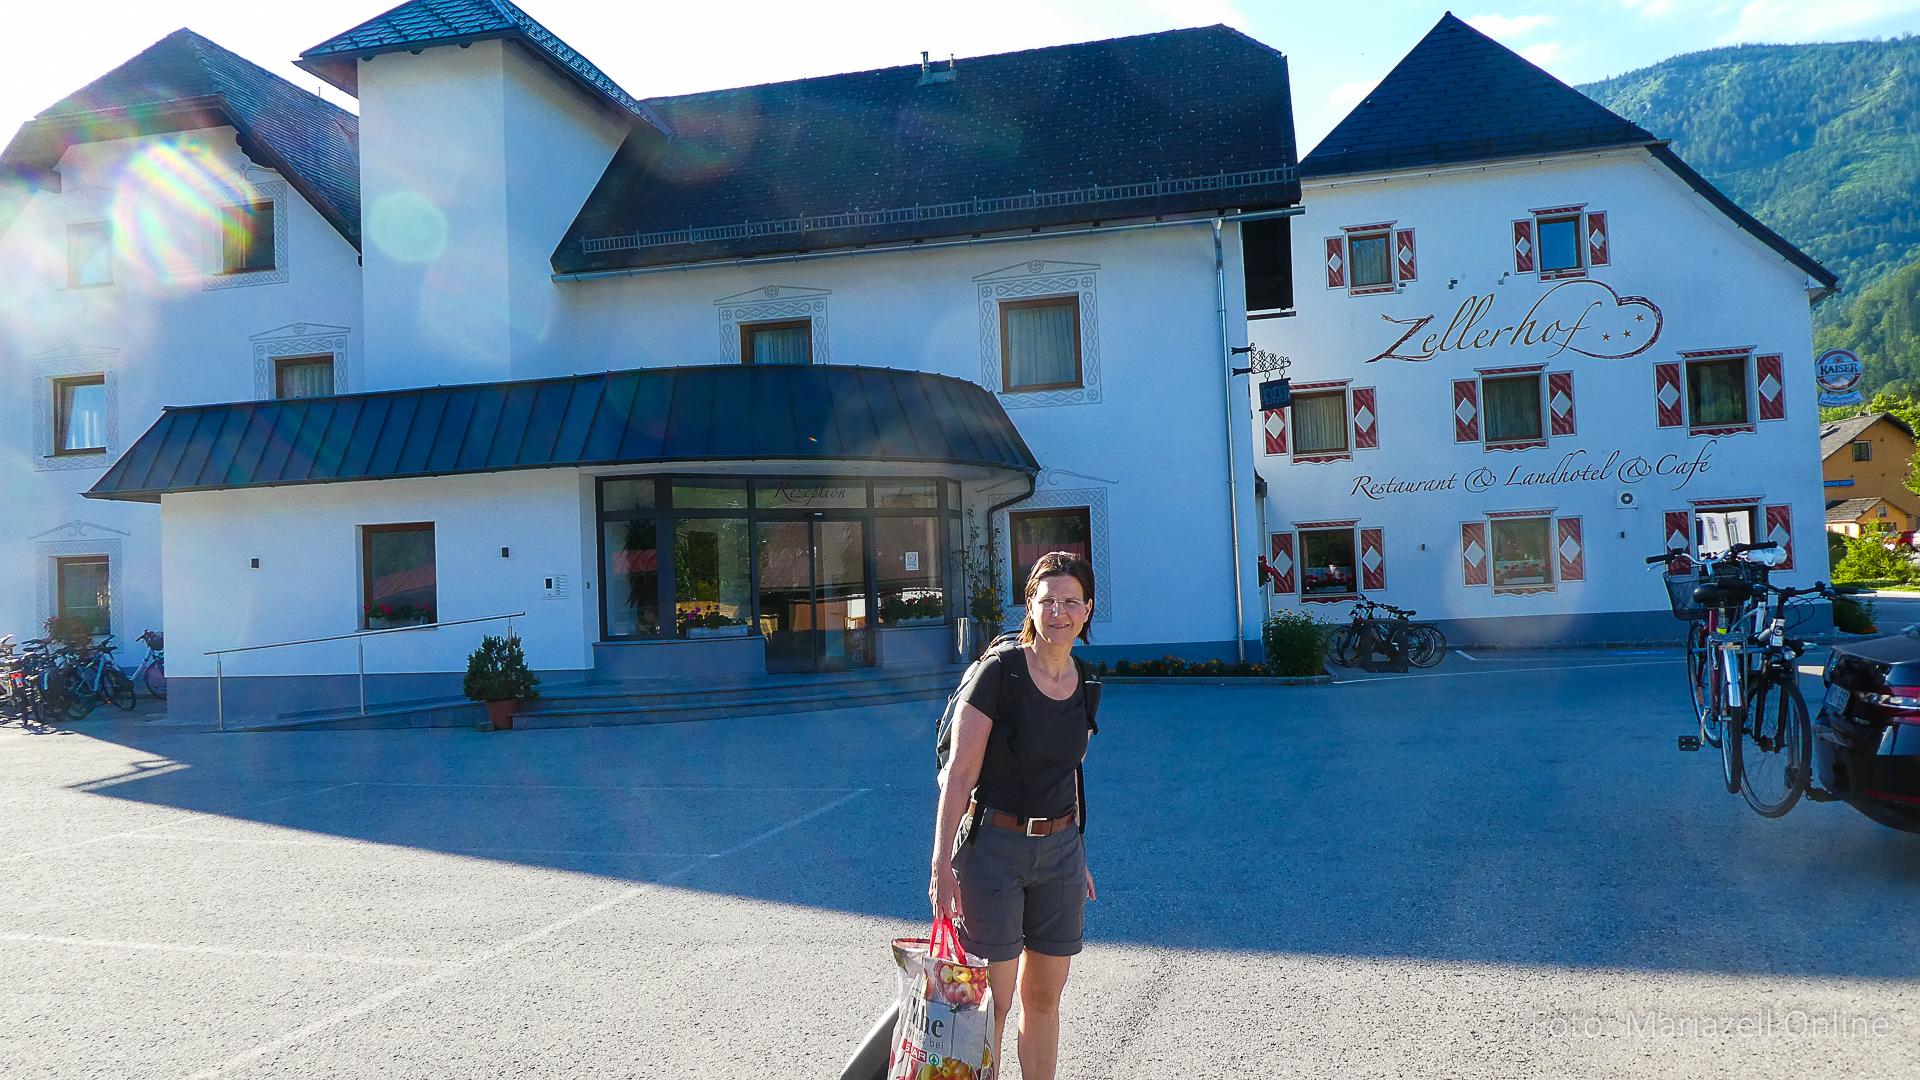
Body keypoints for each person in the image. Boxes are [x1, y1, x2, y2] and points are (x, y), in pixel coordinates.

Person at [929, 550, 1098, 1080]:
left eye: (1070, 601)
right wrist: (941, 864)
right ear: (1030, 605)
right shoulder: (999, 673)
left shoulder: (1086, 682)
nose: (1058, 612)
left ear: (1087, 610)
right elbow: (960, 775)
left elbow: (1067, 775)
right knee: (992, 1005)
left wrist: (1077, 854)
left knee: (1044, 998)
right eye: (1048, 601)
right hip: (994, 851)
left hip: (1060, 854)